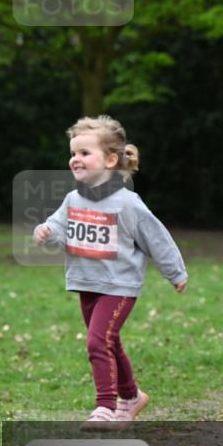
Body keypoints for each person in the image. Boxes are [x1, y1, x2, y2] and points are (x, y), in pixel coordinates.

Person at [33, 115, 187, 429]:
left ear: (111, 159)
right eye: (73, 153)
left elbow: (155, 237)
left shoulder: (127, 203)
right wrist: (46, 230)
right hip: (86, 282)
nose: (76, 159)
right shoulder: (73, 199)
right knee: (108, 341)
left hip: (119, 285)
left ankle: (106, 406)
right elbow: (61, 230)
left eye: (85, 153)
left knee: (96, 341)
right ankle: (131, 396)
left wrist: (175, 272)